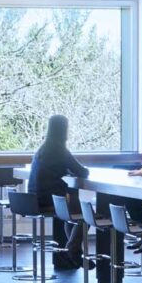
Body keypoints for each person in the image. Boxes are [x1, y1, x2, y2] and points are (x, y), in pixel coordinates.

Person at [29, 113, 93, 270]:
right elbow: (82, 172)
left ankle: (73, 250)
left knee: (72, 212)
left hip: (33, 199)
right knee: (87, 214)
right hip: (49, 200)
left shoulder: (43, 149)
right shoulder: (59, 150)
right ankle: (73, 248)